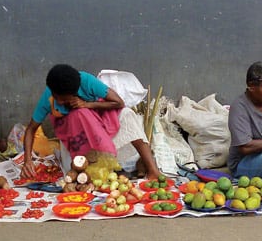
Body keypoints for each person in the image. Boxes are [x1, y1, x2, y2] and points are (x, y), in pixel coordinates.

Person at [19, 64, 161, 180]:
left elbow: (118, 103)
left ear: (74, 91)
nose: (60, 102)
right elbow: (31, 129)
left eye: (64, 99)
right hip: (75, 135)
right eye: (57, 97)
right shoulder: (49, 95)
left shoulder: (86, 81)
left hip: (100, 121)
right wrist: (27, 161)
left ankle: (152, 170)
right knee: (80, 115)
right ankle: (94, 171)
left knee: (127, 114)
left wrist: (88, 104)